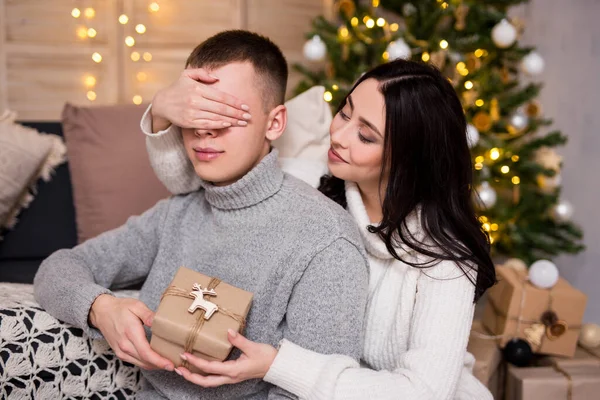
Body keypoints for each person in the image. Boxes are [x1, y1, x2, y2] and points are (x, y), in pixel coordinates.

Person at [33, 30, 369, 400]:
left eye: (224, 112)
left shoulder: (324, 240)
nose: (204, 129)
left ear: (273, 123)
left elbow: (315, 389)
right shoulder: (178, 213)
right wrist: (100, 307)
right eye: (195, 112)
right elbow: (58, 268)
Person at [141, 57, 497, 399]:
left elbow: (423, 393)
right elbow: (196, 185)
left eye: (366, 136)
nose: (339, 135)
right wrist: (161, 113)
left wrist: (278, 365)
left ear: (408, 158)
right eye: (344, 111)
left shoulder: (447, 263)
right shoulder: (310, 184)